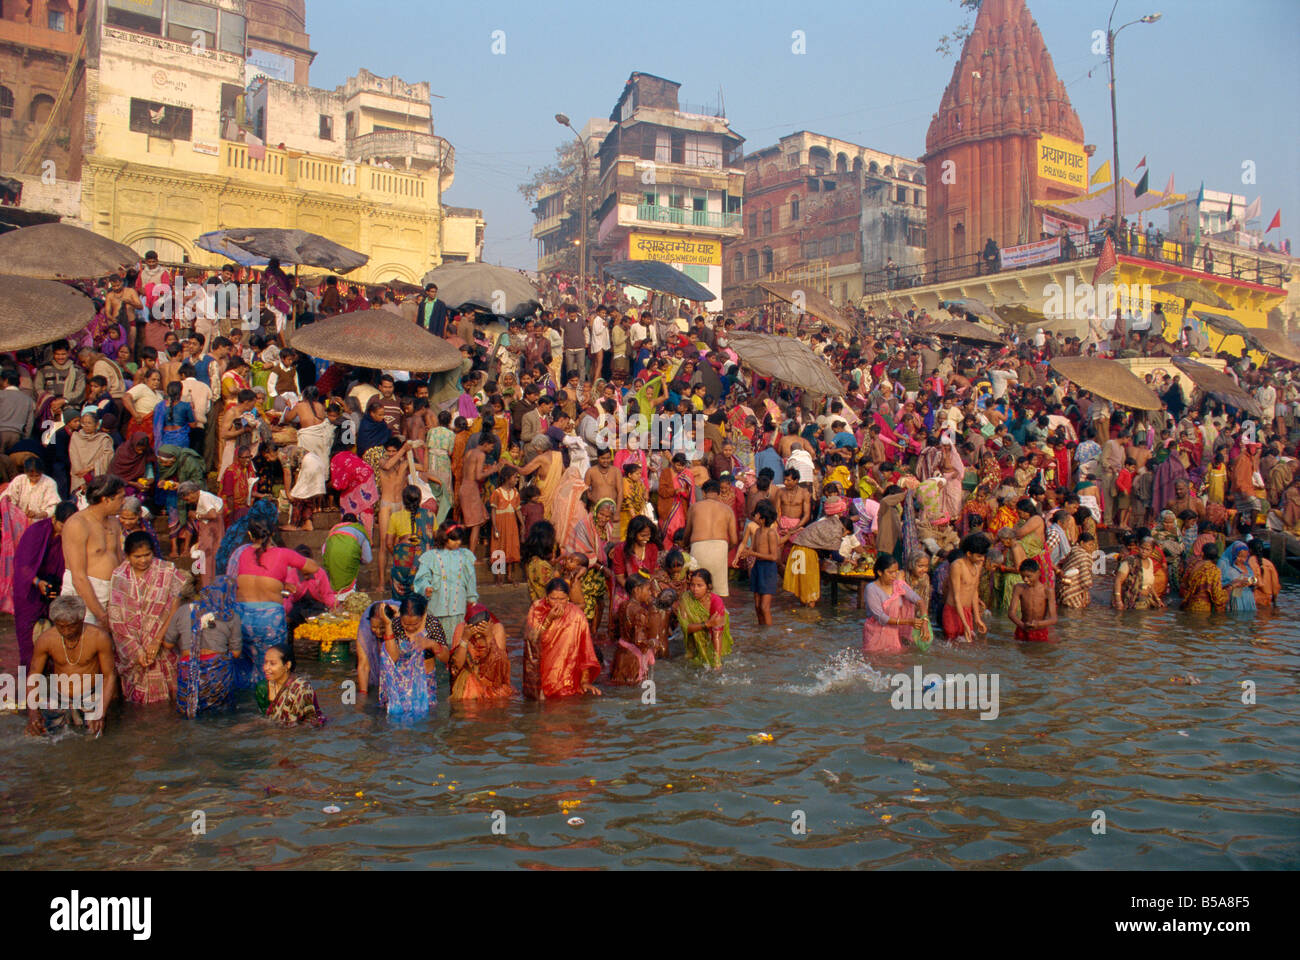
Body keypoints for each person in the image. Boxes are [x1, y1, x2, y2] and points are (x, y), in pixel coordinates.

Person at [232, 516, 320, 687]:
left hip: (242, 617)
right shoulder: (282, 553)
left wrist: (279, 581)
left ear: (250, 535)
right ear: (272, 533)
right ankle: (276, 700)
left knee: (246, 664)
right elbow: (313, 567)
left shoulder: (241, 553)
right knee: (274, 663)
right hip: (269, 619)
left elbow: (250, 579)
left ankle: (248, 701)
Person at [108, 530, 186, 705]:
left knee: (169, 701)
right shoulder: (119, 576)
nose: (143, 560)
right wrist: (137, 650)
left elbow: (175, 605)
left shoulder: (166, 570)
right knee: (138, 705)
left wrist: (156, 640)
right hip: (131, 646)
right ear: (127, 556)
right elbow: (116, 617)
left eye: (147, 555)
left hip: (161, 642)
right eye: (137, 556)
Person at [26, 596, 116, 737]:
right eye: (61, 626)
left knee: (95, 740)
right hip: (59, 698)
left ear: (81, 620)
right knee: (41, 737)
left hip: (91, 697)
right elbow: (34, 675)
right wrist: (33, 713)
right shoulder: (46, 639)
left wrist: (101, 712)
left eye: (71, 626)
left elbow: (109, 675)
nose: (67, 632)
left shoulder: (99, 637)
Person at [164, 576, 242, 716]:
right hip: (217, 672)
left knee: (188, 713)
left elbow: (168, 644)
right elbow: (236, 653)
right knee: (218, 715)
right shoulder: (232, 616)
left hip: (188, 669)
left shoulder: (183, 610)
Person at [12, 500, 77, 667]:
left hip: (56, 587)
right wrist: (38, 582)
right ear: (55, 519)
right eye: (63, 525)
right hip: (30, 590)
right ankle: (30, 681)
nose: (66, 530)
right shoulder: (36, 531)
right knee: (28, 640)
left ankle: (53, 676)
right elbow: (22, 564)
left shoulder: (73, 535)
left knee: (58, 634)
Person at [61, 475, 126, 627]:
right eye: (121, 498)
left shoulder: (114, 522)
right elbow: (78, 577)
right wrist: (100, 614)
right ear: (106, 499)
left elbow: (120, 561)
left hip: (111, 594)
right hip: (83, 597)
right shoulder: (77, 523)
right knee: (86, 646)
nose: (124, 502)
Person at [372, 594, 450, 718]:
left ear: (423, 615)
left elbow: (447, 658)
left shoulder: (432, 624)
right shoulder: (395, 625)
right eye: (406, 624)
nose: (410, 627)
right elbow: (392, 658)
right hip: (399, 684)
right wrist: (388, 626)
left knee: (425, 719)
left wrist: (432, 645)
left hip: (424, 684)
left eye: (415, 624)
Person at [523, 576, 602, 699]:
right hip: (542, 675)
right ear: (547, 598)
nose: (558, 603)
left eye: (562, 599)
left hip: (568, 678)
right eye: (554, 599)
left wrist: (584, 682)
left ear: (568, 598)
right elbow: (530, 640)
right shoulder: (537, 609)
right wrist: (548, 619)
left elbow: (585, 651)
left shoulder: (577, 616)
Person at [0, 457, 60, 615]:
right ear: (26, 473)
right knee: (18, 559)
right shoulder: (19, 480)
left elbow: (54, 506)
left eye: (37, 476)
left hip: (39, 526)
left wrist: (39, 514)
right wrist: (10, 504)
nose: (34, 479)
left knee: (33, 560)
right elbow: (7, 496)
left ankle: (34, 592)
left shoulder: (49, 483)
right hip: (18, 527)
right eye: (31, 476)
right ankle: (15, 592)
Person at [413, 524, 478, 640]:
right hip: (437, 604)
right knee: (438, 640)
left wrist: (472, 598)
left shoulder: (465, 555)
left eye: (459, 539)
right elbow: (422, 576)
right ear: (444, 537)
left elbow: (471, 578)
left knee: (456, 637)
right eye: (454, 539)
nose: (457, 542)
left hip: (458, 606)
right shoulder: (431, 556)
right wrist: (426, 587)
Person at [684, 478, 737, 599]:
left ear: (703, 493)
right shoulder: (728, 510)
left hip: (698, 547)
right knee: (718, 594)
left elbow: (686, 535)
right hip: (720, 548)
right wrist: (726, 551)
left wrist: (685, 545)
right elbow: (734, 540)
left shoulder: (694, 507)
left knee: (697, 591)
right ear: (718, 494)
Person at [861, 552, 922, 655]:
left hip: (893, 633)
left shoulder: (898, 585)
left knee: (895, 664)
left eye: (896, 572)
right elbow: (881, 617)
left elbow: (918, 600)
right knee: (874, 662)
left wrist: (924, 620)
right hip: (875, 633)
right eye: (890, 572)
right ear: (880, 572)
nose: (894, 576)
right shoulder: (871, 589)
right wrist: (908, 622)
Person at [448, 603, 512, 701]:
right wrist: (465, 639)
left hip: (492, 682)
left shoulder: (496, 629)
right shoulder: (462, 629)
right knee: (469, 689)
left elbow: (500, 667)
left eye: (480, 630)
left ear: (489, 623)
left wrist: (489, 637)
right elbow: (456, 667)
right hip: (468, 683)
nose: (477, 636)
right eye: (475, 631)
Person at [387, 484, 438, 602]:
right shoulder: (430, 515)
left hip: (403, 561)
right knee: (421, 602)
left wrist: (399, 555)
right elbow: (437, 539)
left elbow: (389, 544)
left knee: (401, 604)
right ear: (420, 499)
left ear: (403, 500)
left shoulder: (395, 516)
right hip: (423, 561)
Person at [254, 644, 324, 725]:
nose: (266, 668)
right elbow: (265, 719)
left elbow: (310, 724)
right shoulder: (262, 688)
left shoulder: (302, 689)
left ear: (287, 665)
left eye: (272, 663)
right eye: (265, 662)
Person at [676, 568, 732, 669]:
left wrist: (717, 663)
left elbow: (717, 634)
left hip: (714, 637)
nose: (695, 589)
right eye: (692, 585)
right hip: (695, 637)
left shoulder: (716, 602)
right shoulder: (686, 598)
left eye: (699, 585)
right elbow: (685, 628)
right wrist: (706, 624)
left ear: (708, 587)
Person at [609, 571, 657, 684]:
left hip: (620, 654)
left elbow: (614, 631)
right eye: (648, 589)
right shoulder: (640, 612)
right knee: (634, 692)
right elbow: (639, 641)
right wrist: (653, 643)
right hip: (633, 660)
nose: (650, 593)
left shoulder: (622, 606)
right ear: (637, 590)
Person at [737, 499, 780, 625]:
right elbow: (753, 548)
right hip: (757, 567)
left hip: (768, 569)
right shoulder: (757, 532)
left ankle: (768, 634)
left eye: (756, 514)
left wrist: (752, 554)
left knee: (764, 607)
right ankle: (761, 631)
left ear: (762, 518)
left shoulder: (771, 533)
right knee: (757, 606)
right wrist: (742, 554)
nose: (754, 516)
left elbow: (773, 557)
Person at [943, 533, 990, 642]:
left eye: (983, 556)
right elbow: (956, 597)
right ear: (969, 554)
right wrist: (965, 624)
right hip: (953, 611)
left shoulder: (978, 565)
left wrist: (977, 618)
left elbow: (974, 591)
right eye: (979, 556)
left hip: (967, 611)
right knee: (951, 645)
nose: (982, 559)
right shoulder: (957, 566)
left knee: (968, 645)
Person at [322, 513, 372, 599]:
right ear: (356, 523)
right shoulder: (360, 530)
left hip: (332, 557)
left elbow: (324, 551)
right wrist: (357, 559)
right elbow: (368, 559)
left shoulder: (334, 530)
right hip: (350, 558)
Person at [1008, 558, 1057, 642]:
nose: (1025, 580)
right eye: (1023, 576)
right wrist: (1022, 625)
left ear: (1038, 573)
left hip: (1040, 630)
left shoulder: (1047, 591)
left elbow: (1053, 619)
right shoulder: (1019, 588)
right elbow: (1011, 613)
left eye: (1029, 576)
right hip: (1022, 629)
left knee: (1038, 653)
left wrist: (1038, 624)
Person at [67, 409, 114, 494]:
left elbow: (108, 456)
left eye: (89, 423)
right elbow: (74, 457)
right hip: (79, 476)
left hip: (96, 476)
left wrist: (90, 468)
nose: (86, 426)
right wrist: (82, 475)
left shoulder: (103, 439)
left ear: (97, 425)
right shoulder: (76, 437)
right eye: (84, 423)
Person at [1180, 543, 1231, 613]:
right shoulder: (1214, 570)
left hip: (1188, 604)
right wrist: (1229, 589)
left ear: (1202, 553)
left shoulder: (1193, 564)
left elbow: (1184, 584)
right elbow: (1217, 596)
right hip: (1203, 608)